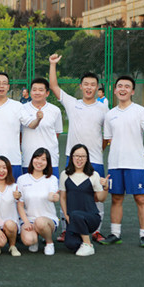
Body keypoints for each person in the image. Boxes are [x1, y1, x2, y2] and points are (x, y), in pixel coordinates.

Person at [48, 54, 108, 243]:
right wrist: (52, 64)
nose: (89, 87)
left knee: (96, 195)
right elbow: (54, 86)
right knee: (68, 193)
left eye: (93, 85)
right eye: (86, 84)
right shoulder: (72, 103)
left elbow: (107, 136)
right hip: (72, 159)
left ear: (97, 88)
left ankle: (96, 230)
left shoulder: (104, 109)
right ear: (81, 86)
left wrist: (98, 150)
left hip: (95, 160)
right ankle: (66, 229)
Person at [101, 76, 144, 248]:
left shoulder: (140, 111)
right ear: (115, 90)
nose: (123, 89)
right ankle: (115, 234)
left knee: (140, 198)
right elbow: (107, 139)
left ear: (132, 91)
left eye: (127, 86)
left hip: (136, 163)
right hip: (115, 163)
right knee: (116, 198)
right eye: (120, 86)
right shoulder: (110, 115)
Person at [59, 144, 110, 256]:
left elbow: (101, 199)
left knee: (76, 214)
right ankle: (82, 239)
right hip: (73, 219)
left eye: (83, 156)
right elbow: (62, 198)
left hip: (91, 217)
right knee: (71, 244)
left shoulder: (94, 175)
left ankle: (88, 244)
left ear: (87, 158)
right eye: (77, 156)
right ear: (72, 157)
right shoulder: (64, 175)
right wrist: (67, 217)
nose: (79, 159)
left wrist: (106, 188)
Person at [17, 148, 60, 255]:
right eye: (37, 158)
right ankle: (34, 239)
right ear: (32, 159)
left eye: (43, 159)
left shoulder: (52, 179)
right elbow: (20, 204)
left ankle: (49, 243)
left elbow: (52, 195)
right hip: (29, 220)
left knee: (40, 222)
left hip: (47, 220)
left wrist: (54, 197)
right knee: (29, 240)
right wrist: (26, 222)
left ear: (47, 163)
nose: (39, 162)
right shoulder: (22, 179)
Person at [19, 77, 63, 178]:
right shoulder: (22, 109)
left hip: (50, 160)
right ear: (30, 92)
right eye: (34, 90)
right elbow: (20, 134)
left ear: (47, 93)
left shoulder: (55, 110)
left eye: (41, 90)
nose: (37, 92)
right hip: (28, 159)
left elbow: (57, 133)